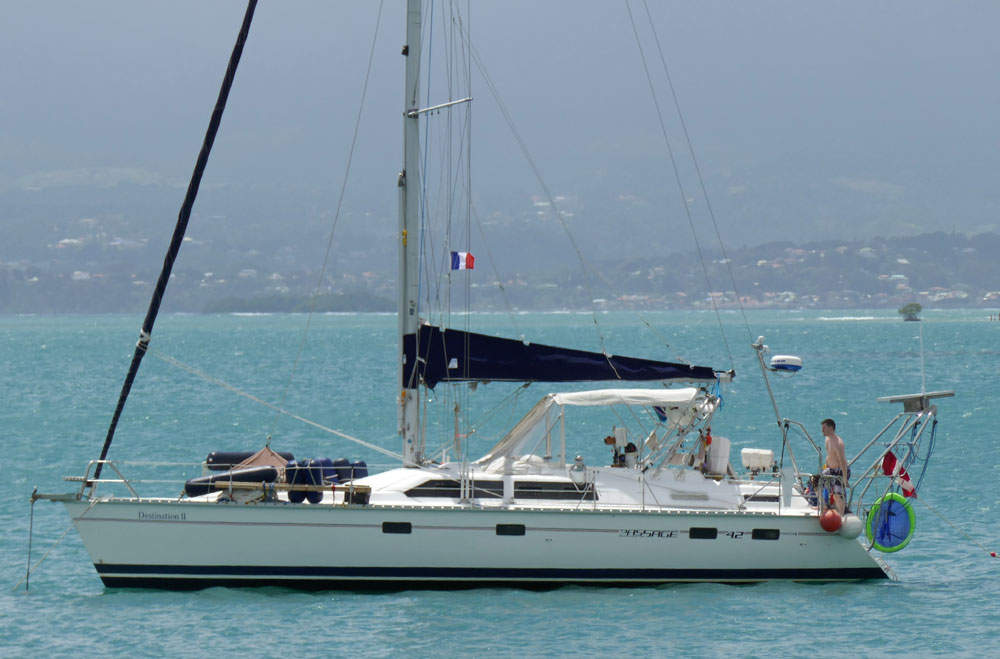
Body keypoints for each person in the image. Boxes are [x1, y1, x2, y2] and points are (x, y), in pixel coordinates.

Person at [821, 418, 850, 515]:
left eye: (824, 428)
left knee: (837, 495)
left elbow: (842, 462)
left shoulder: (838, 443)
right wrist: (825, 468)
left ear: (831, 428)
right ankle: (825, 507)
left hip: (840, 470)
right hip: (830, 469)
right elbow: (828, 455)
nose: (822, 430)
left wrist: (845, 480)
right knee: (816, 482)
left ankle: (841, 515)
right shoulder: (827, 440)